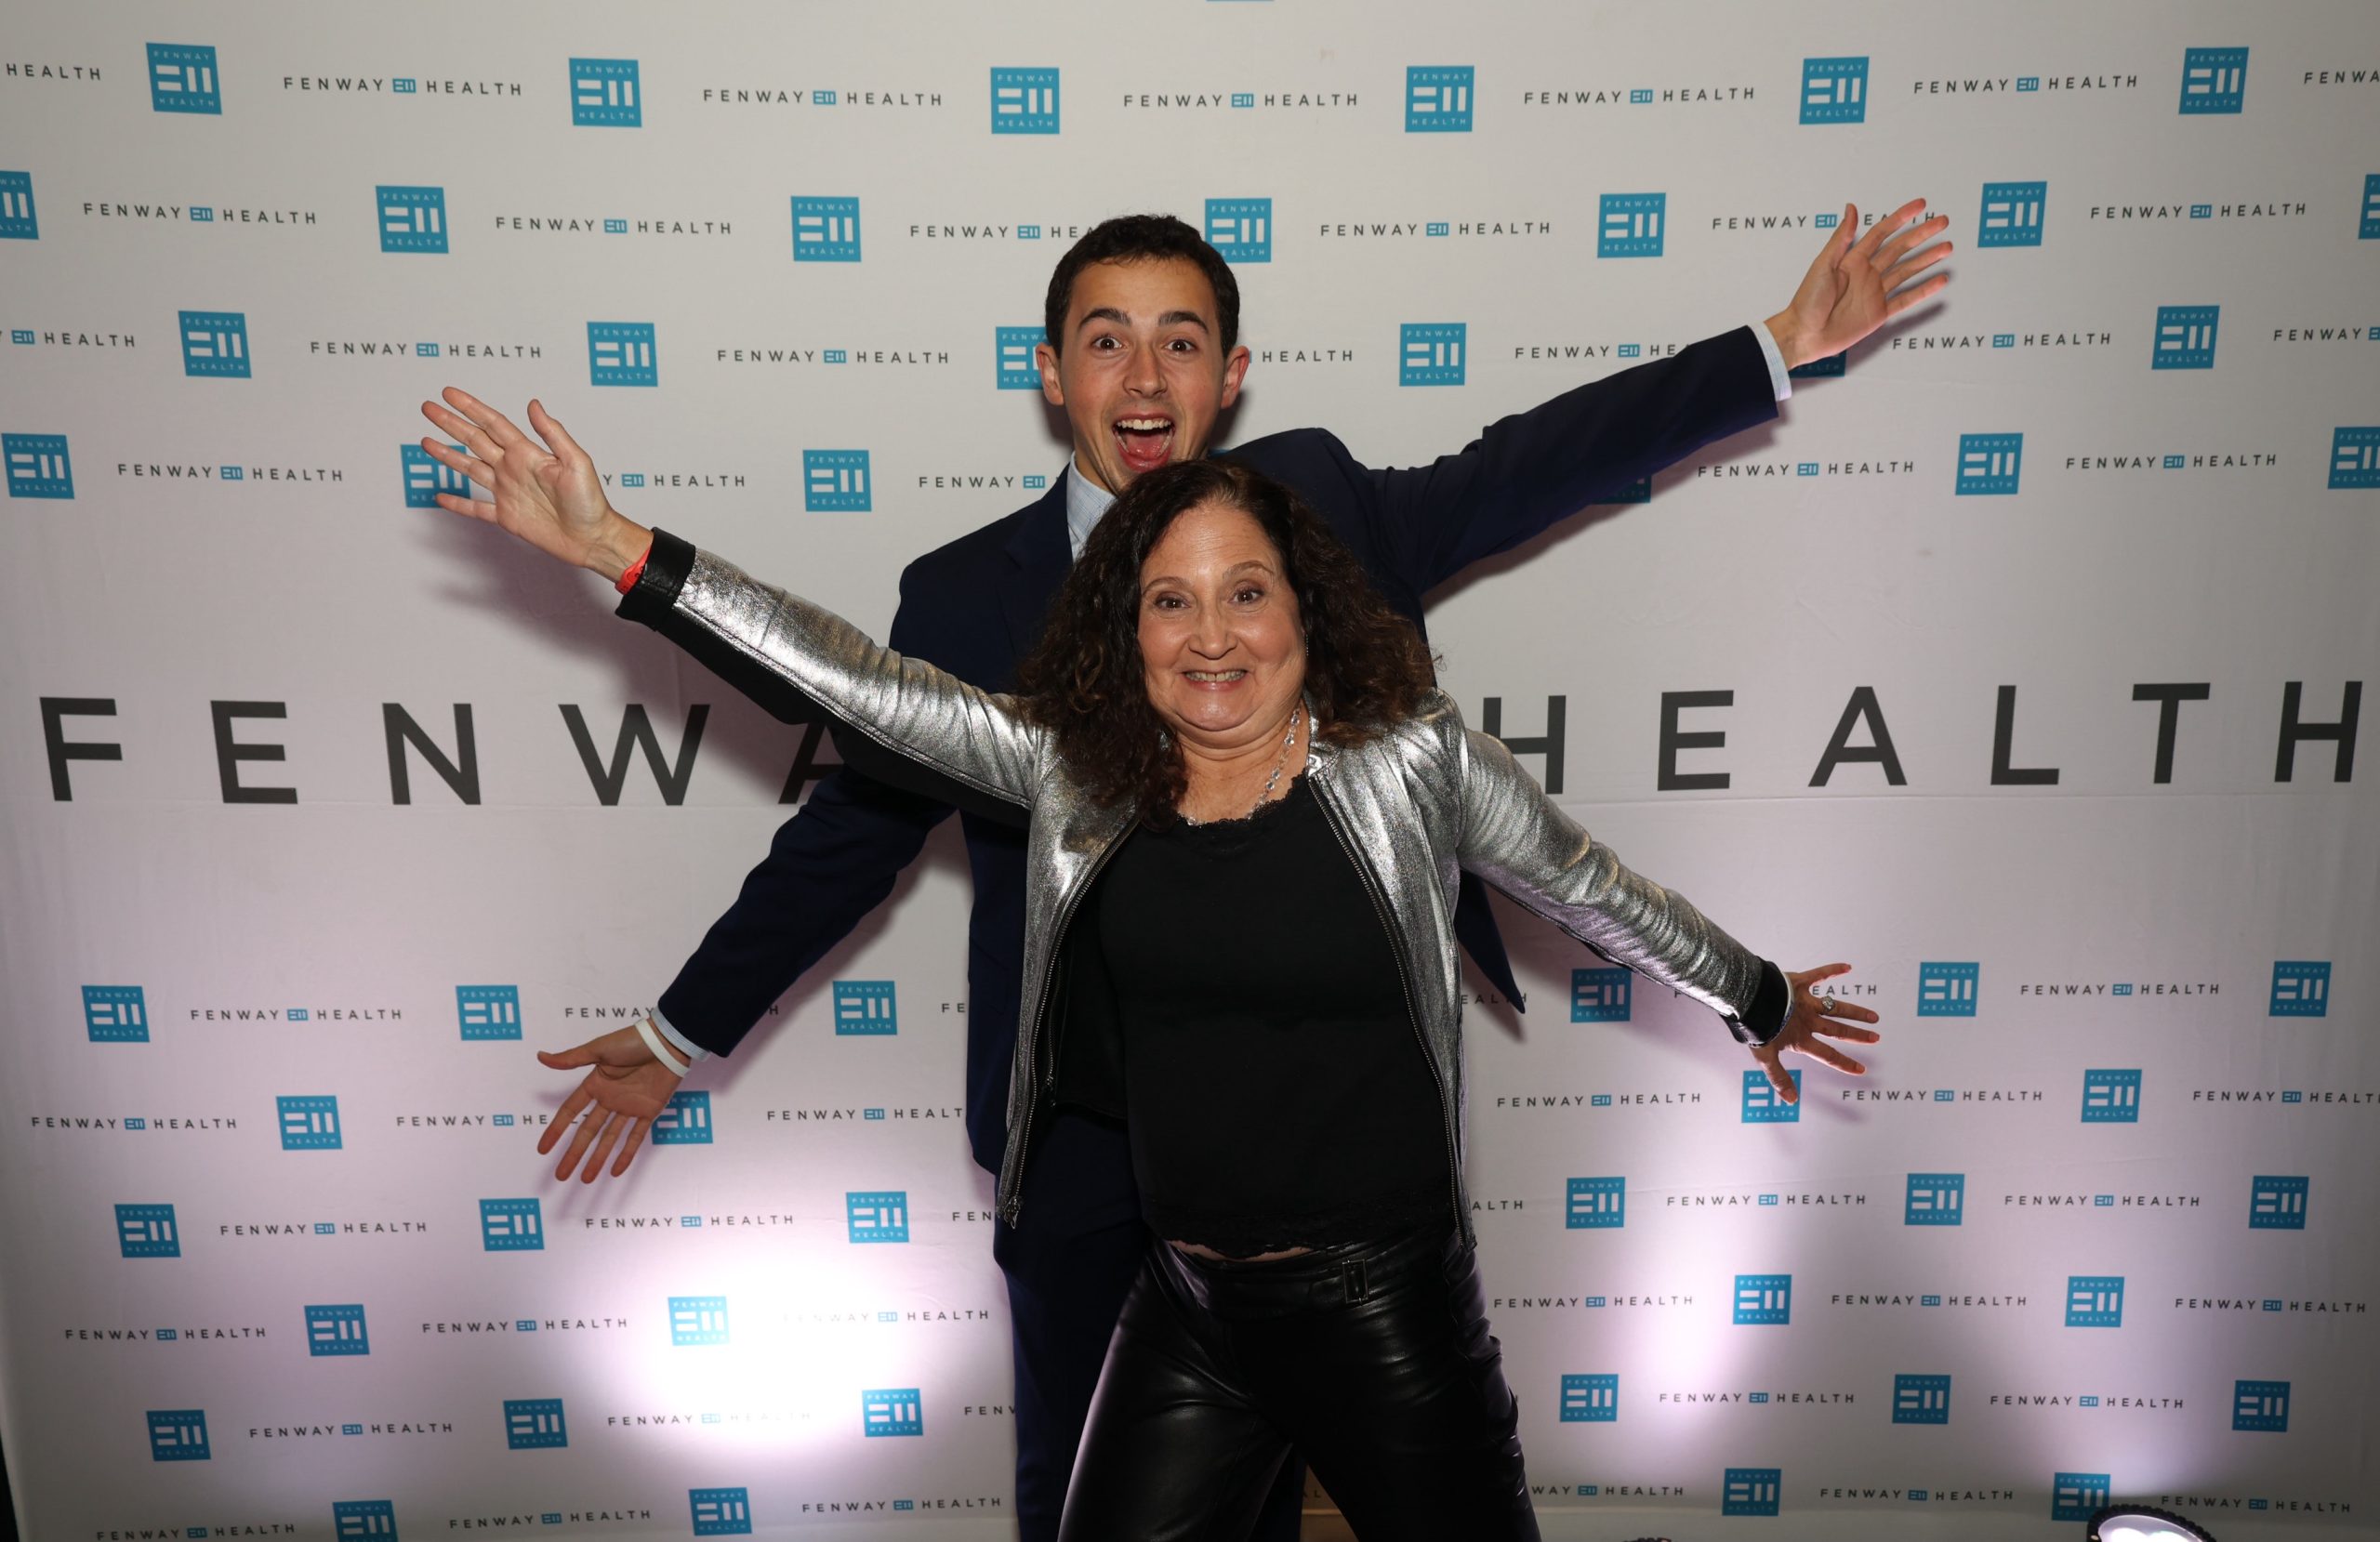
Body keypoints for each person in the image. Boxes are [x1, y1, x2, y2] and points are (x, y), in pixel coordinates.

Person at [418, 204, 1947, 1538]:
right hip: (1095, 1152)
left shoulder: (1325, 516)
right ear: (1052, 372)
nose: (1143, 378)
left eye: (1180, 341)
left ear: (1230, 374)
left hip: (1349, 1177)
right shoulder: (973, 612)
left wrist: (1775, 348)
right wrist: (681, 1027)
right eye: (1105, 341)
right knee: (1083, 1496)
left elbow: (1528, 477)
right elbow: (851, 800)